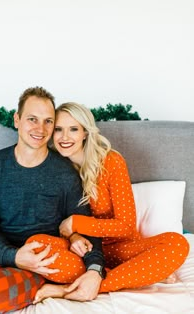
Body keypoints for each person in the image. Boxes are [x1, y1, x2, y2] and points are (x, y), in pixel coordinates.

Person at [0, 88, 104, 313]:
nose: (40, 129)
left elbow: (86, 229)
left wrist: (95, 269)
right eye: (32, 119)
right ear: (17, 120)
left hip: (37, 261)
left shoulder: (65, 173)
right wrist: (13, 256)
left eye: (48, 121)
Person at [34, 101, 190, 302]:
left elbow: (125, 226)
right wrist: (73, 236)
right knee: (36, 245)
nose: (65, 137)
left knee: (177, 244)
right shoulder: (50, 168)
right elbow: (52, 222)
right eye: (58, 129)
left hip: (120, 249)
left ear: (85, 133)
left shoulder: (111, 162)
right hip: (81, 253)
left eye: (73, 129)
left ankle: (73, 289)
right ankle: (130, 275)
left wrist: (77, 223)